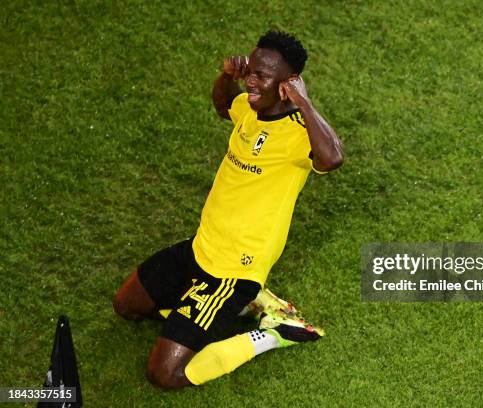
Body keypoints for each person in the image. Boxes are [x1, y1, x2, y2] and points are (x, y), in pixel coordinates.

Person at [112, 30, 344, 389]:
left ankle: (275, 333)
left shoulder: (298, 134)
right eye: (250, 70)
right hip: (200, 247)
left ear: (288, 85)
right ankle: (242, 306)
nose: (251, 80)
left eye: (262, 77)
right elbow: (223, 105)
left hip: (231, 271)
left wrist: (305, 104)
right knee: (126, 307)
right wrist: (225, 76)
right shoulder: (251, 110)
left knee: (164, 374)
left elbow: (333, 159)